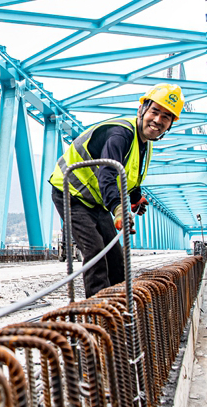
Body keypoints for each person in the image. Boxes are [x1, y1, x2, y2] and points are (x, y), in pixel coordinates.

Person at [48, 83, 183, 298]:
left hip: (96, 199)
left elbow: (128, 175)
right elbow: (108, 175)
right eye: (155, 111)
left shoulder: (143, 144)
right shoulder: (121, 135)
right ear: (142, 110)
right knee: (95, 252)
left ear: (170, 125)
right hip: (71, 193)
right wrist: (119, 209)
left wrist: (136, 198)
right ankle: (98, 312)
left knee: (115, 258)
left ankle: (119, 306)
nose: (158, 120)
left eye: (166, 117)